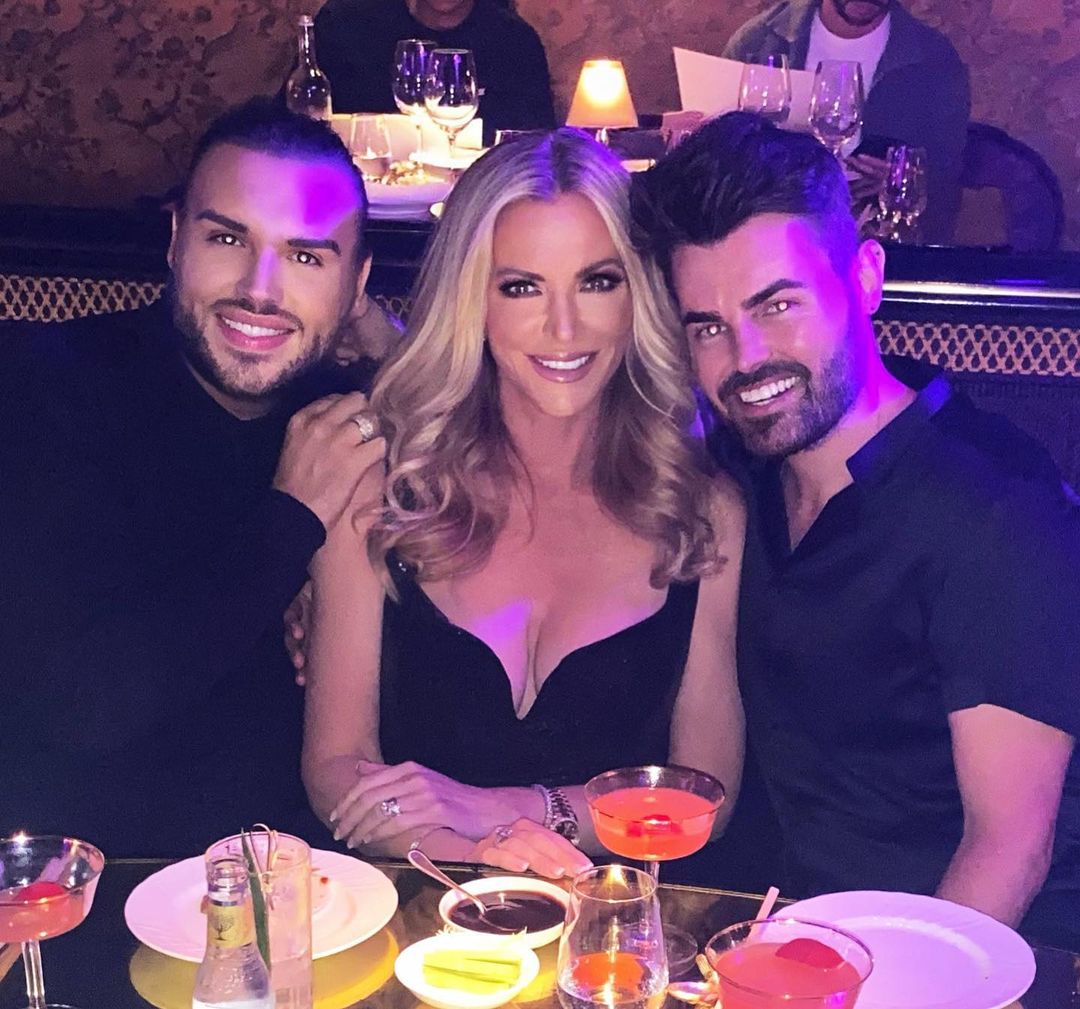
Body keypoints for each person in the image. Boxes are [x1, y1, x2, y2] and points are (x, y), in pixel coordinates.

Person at [630, 111, 1080, 947]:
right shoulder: (741, 472)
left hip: (974, 957)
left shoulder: (993, 507)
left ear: (865, 277)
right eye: (708, 327)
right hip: (785, 937)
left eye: (778, 304)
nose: (746, 356)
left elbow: (1009, 849)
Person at [301, 128, 745, 877]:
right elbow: (336, 763)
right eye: (521, 287)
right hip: (419, 912)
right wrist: (474, 861)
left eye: (597, 282)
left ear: (639, 296)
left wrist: (512, 811)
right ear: (471, 301)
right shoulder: (382, 485)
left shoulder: (701, 509)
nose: (563, 328)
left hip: (617, 927)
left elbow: (705, 795)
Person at [0, 99, 388, 856]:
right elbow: (76, 705)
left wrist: (387, 340)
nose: (260, 289)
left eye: (306, 257)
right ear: (176, 239)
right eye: (227, 238)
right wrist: (289, 527)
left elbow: (491, 425)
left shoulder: (337, 413)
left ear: (355, 284)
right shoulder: (47, 390)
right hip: (84, 884)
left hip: (306, 885)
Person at [723, 0, 970, 243]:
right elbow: (720, 161)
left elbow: (946, 183)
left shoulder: (934, 60)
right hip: (770, 239)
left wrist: (902, 185)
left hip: (879, 247)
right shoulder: (759, 41)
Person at [314, 0, 556, 145]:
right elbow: (306, 129)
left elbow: (535, 153)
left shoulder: (515, 42)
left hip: (477, 203)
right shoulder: (345, 25)